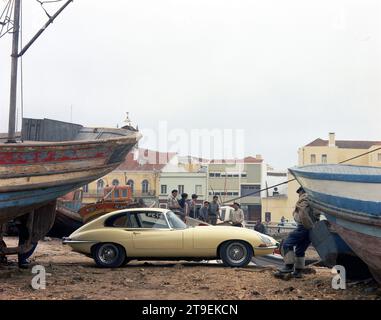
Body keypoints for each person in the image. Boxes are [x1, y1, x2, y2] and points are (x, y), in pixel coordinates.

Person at [274, 187, 320, 278]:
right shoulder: (313, 200)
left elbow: (302, 212)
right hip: (310, 229)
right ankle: (298, 271)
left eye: (299, 193)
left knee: (287, 244)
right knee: (300, 250)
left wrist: (307, 225)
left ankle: (289, 266)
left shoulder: (304, 198)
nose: (298, 195)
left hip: (303, 227)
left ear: (302, 191)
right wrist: (312, 227)